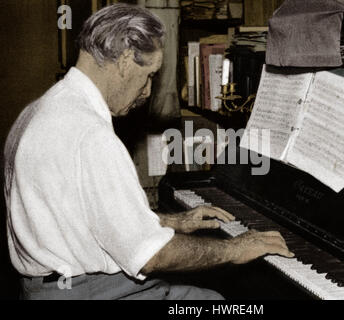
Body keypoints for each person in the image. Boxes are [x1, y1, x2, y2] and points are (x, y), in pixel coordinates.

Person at [3, 3, 293, 300]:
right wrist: (235, 249)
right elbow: (151, 256)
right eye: (151, 75)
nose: (147, 92)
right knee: (224, 304)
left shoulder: (40, 110)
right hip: (87, 292)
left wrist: (171, 221)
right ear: (127, 60)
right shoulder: (91, 136)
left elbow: (91, 216)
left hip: (48, 287)